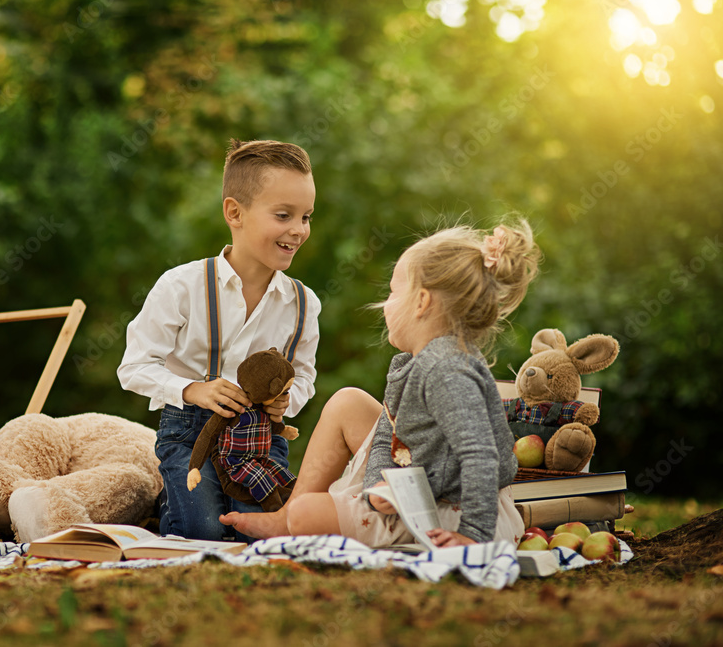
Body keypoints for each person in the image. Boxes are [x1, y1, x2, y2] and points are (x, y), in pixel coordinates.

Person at [221, 220, 541, 548]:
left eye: (393, 291)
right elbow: (388, 436)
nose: (386, 303)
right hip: (420, 486)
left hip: (456, 515)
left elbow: (481, 456)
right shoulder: (412, 363)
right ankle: (286, 517)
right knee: (347, 402)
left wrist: (472, 535)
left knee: (305, 515)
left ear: (421, 303)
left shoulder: (448, 371)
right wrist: (377, 488)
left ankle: (293, 520)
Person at [118, 139, 321, 543]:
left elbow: (305, 378)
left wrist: (286, 399)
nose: (298, 230)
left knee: (261, 536)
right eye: (284, 215)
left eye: (306, 216)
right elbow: (134, 367)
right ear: (235, 213)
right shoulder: (182, 285)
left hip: (259, 437)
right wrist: (192, 389)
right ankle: (168, 504)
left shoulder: (302, 303)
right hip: (191, 434)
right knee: (203, 533)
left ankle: (198, 503)